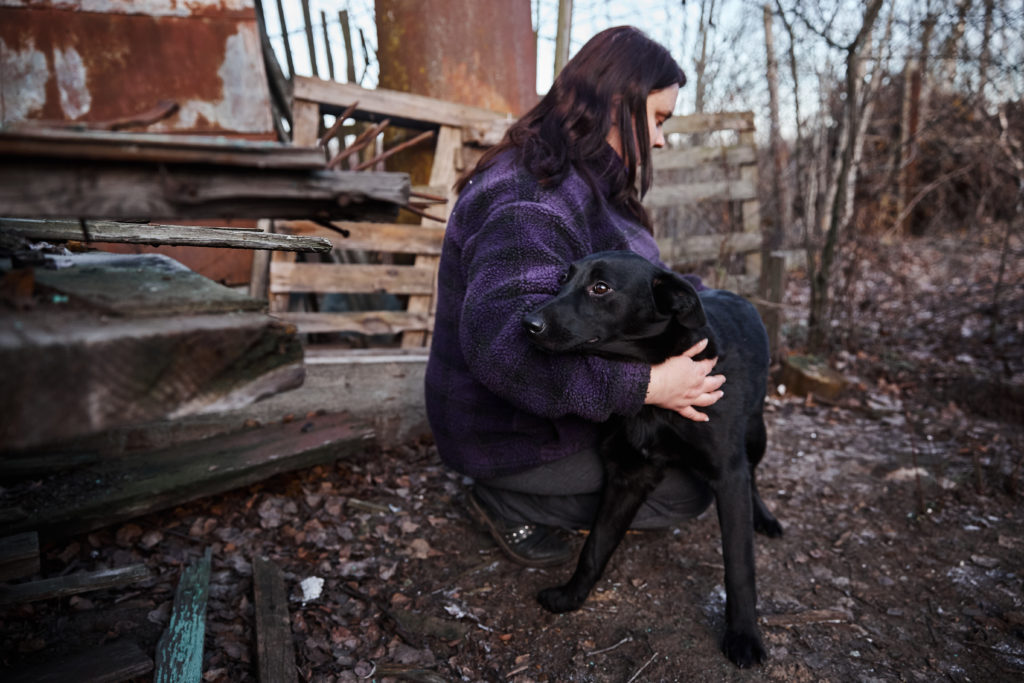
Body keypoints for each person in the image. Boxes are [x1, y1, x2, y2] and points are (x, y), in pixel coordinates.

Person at [424, 26, 726, 567]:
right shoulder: (529, 196)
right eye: (657, 119)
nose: (659, 141)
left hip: (559, 416)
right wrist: (650, 384)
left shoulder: (593, 186)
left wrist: (722, 314)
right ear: (616, 103)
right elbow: (505, 349)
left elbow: (646, 280)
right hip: (511, 433)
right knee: (686, 490)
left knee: (705, 462)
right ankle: (504, 498)